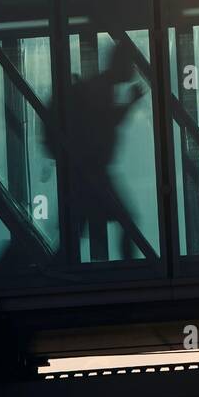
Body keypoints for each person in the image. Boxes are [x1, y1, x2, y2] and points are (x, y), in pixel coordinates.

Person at [45, 38, 147, 261]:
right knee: (127, 221)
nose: (133, 69)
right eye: (130, 63)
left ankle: (58, 269)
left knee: (75, 234)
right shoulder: (101, 87)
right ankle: (133, 273)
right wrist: (130, 103)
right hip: (91, 173)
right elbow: (105, 122)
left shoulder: (101, 86)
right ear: (119, 63)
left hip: (86, 173)